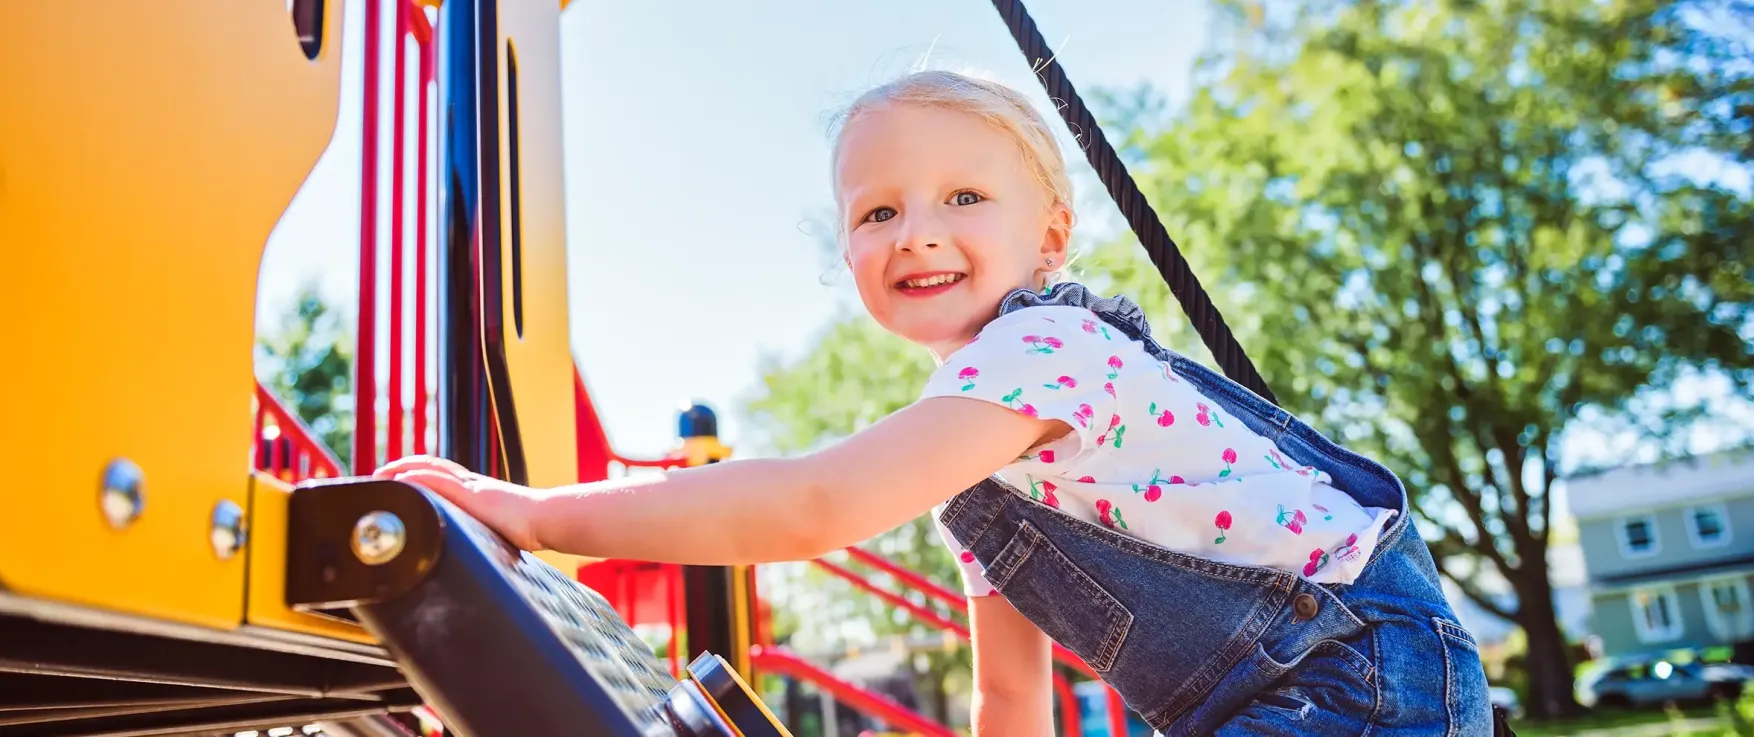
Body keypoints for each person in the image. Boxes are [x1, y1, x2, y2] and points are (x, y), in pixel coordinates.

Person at [376, 69, 1493, 736]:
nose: (913, 229)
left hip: (1357, 683)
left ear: (1050, 232)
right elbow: (1012, 694)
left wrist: (531, 512)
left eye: (963, 195)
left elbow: (812, 503)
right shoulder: (980, 460)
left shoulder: (1047, 352)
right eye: (875, 211)